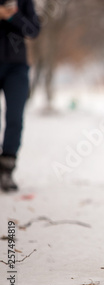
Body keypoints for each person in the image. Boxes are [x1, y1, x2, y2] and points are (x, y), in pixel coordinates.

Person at [0, 0, 40, 192]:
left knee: (15, 118)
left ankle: (6, 169)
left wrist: (12, 16)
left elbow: (33, 30)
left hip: (17, 67)